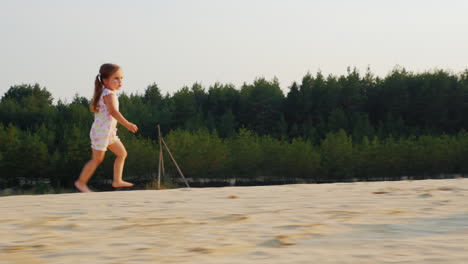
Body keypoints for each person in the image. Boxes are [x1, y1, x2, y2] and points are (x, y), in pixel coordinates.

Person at [74, 63, 138, 193]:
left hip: (108, 133)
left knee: (122, 153)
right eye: (116, 78)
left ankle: (117, 180)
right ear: (105, 80)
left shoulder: (106, 92)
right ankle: (81, 183)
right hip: (101, 133)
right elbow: (114, 112)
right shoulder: (109, 94)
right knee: (97, 159)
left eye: (121, 78)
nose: (120, 81)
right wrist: (127, 124)